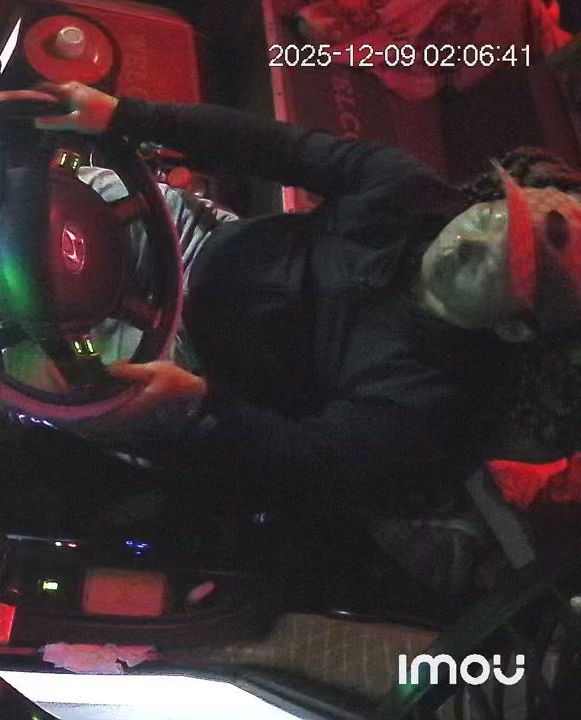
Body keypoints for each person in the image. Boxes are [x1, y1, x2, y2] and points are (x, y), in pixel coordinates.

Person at [35, 82, 581, 504]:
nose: (463, 240)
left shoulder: (432, 402)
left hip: (193, 370)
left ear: (513, 326)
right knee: (38, 188)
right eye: (487, 217)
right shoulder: (405, 188)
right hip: (191, 238)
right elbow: (276, 146)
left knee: (37, 372)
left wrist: (200, 398)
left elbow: (304, 457)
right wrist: (124, 114)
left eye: (491, 259)